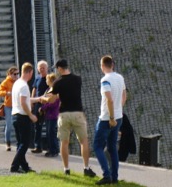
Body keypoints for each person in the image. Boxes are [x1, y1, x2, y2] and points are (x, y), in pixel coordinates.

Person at [45, 58, 95, 177]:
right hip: (78, 113)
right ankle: (86, 168)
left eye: (57, 69)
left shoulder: (58, 82)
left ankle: (66, 169)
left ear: (60, 68)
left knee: (64, 142)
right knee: (84, 141)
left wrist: (44, 98)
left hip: (64, 114)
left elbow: (52, 98)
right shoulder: (78, 79)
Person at [93, 54, 127, 185]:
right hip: (119, 116)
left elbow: (109, 99)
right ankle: (114, 176)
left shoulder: (105, 80)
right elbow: (124, 96)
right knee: (112, 147)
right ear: (112, 64)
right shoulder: (120, 77)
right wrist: (119, 110)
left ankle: (106, 174)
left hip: (107, 118)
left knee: (97, 146)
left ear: (102, 66)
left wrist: (111, 117)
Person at [10, 63, 38, 173]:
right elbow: (24, 103)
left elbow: (25, 100)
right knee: (25, 144)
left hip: (15, 116)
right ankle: (14, 166)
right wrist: (31, 115)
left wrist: (38, 99)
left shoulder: (16, 83)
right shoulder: (24, 86)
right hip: (23, 117)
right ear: (30, 72)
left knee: (20, 143)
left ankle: (24, 166)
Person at [0, 65, 18, 150]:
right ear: (10, 74)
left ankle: (19, 143)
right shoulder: (6, 82)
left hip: (17, 106)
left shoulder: (19, 82)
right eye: (15, 74)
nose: (16, 76)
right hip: (8, 106)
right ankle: (8, 143)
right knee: (9, 125)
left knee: (18, 125)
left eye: (17, 74)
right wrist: (6, 93)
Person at [33, 60, 52, 155]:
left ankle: (49, 148)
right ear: (38, 69)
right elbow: (34, 89)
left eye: (43, 67)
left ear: (47, 68)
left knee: (49, 126)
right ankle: (38, 146)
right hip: (38, 103)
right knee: (38, 126)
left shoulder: (49, 78)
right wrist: (32, 100)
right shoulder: (37, 78)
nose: (42, 69)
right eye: (40, 67)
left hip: (47, 104)